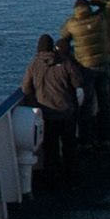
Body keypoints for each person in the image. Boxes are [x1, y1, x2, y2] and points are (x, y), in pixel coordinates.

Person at [21, 34, 84, 183]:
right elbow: (78, 82)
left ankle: (51, 180)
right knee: (69, 147)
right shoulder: (66, 63)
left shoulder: (33, 66)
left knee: (50, 149)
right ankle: (71, 179)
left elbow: (26, 88)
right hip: (66, 111)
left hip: (46, 115)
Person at [60, 0, 110, 148]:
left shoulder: (72, 24)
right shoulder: (99, 18)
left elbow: (63, 35)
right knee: (104, 103)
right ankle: (105, 138)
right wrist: (96, 0)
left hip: (85, 67)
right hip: (103, 64)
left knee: (86, 105)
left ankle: (86, 140)